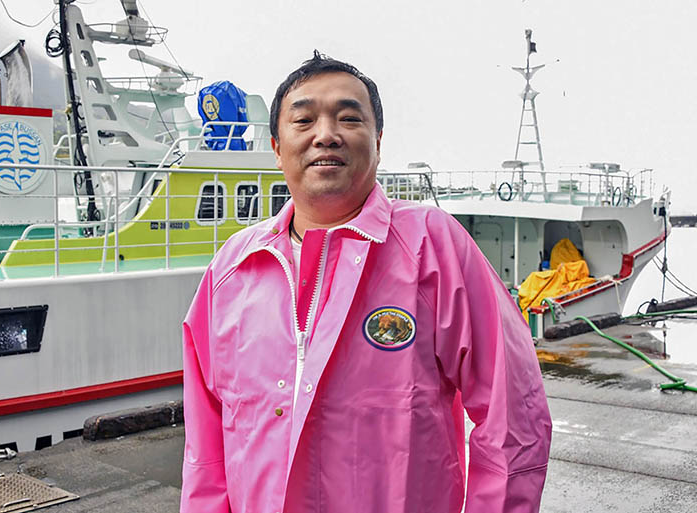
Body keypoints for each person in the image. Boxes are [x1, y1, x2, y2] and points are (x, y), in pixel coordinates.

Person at [180, 51, 552, 513]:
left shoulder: (431, 247)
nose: (326, 135)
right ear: (276, 147)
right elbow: (206, 449)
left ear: (378, 140)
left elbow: (513, 414)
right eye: (304, 120)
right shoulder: (234, 268)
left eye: (349, 118)